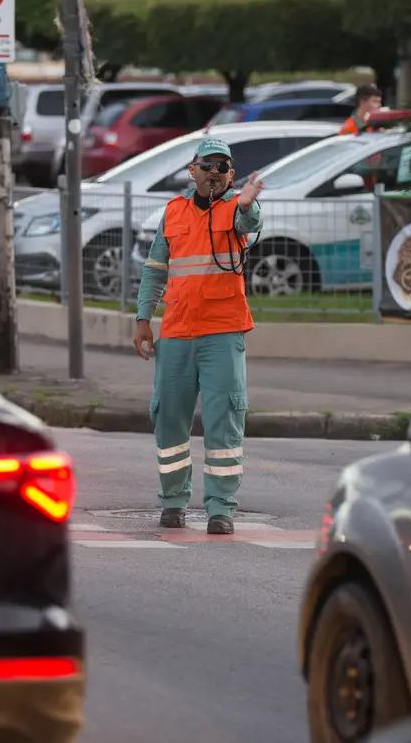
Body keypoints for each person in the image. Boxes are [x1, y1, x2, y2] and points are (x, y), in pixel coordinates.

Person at [132, 137, 264, 535]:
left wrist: (245, 202)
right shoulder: (173, 212)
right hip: (177, 331)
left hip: (222, 332)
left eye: (221, 166)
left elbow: (250, 222)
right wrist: (143, 320)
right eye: (206, 165)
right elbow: (155, 269)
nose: (213, 172)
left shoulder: (237, 207)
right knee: (169, 417)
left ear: (231, 175)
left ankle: (220, 507)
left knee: (224, 420)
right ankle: (173, 501)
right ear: (192, 170)